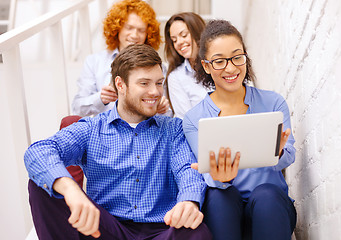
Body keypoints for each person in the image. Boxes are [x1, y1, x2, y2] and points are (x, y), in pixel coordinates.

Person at [25, 44, 212, 240]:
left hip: (162, 230)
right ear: (120, 85)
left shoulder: (173, 128)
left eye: (158, 83)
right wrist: (71, 189)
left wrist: (189, 201)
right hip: (104, 229)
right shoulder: (91, 128)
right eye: (144, 83)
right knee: (42, 185)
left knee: (197, 232)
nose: (155, 92)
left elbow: (187, 170)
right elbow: (39, 151)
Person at [183, 20, 297, 240]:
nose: (231, 68)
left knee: (266, 194)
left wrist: (278, 152)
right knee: (218, 195)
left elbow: (289, 154)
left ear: (245, 56)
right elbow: (208, 175)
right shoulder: (194, 119)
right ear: (206, 66)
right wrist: (221, 178)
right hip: (225, 212)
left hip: (272, 209)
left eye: (237, 57)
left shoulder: (273, 102)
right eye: (219, 61)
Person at [72, 0, 168, 117]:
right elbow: (77, 108)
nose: (134, 35)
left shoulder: (158, 67)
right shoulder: (94, 62)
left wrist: (161, 110)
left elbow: (168, 113)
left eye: (141, 30)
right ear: (117, 28)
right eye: (129, 28)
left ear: (148, 34)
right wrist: (101, 98)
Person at [164, 12, 210, 119]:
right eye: (174, 40)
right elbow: (187, 120)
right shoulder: (176, 77)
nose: (179, 42)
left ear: (198, 33)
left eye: (184, 35)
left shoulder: (219, 64)